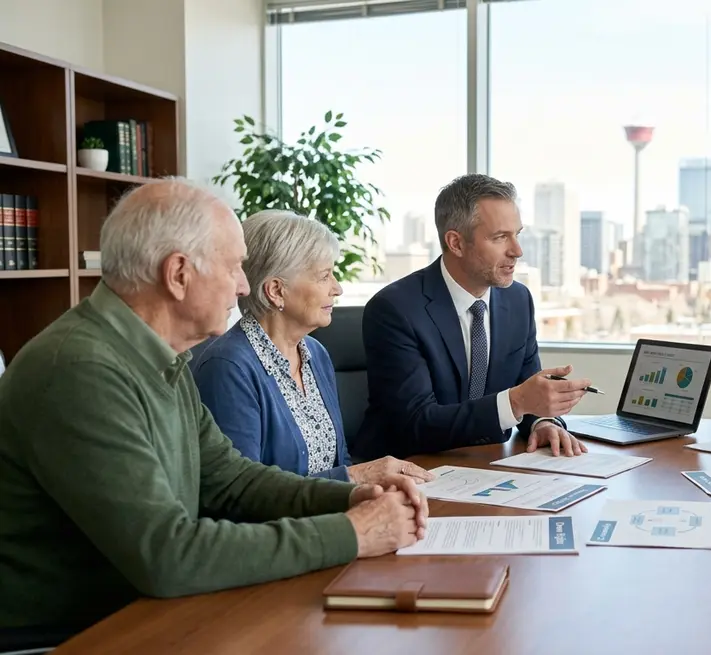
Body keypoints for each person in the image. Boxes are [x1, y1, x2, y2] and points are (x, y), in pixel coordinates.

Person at [0, 179, 428, 645]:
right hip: (74, 635)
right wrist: (351, 533)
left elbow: (232, 479)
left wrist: (348, 499)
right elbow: (167, 556)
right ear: (179, 274)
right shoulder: (80, 370)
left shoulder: (162, 355)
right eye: (234, 267)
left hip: (146, 610)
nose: (245, 286)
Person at [356, 173, 591, 460]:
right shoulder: (395, 309)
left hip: (487, 465)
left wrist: (542, 422)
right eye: (500, 237)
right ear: (455, 243)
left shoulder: (518, 300)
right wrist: (516, 402)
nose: (517, 251)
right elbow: (415, 423)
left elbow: (527, 389)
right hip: (407, 472)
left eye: (517, 234)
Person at [192, 210, 433, 485]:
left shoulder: (315, 353)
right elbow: (239, 493)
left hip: (331, 519)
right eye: (324, 276)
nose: (337, 288)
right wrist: (355, 476)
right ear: (276, 290)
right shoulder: (228, 367)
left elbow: (338, 459)